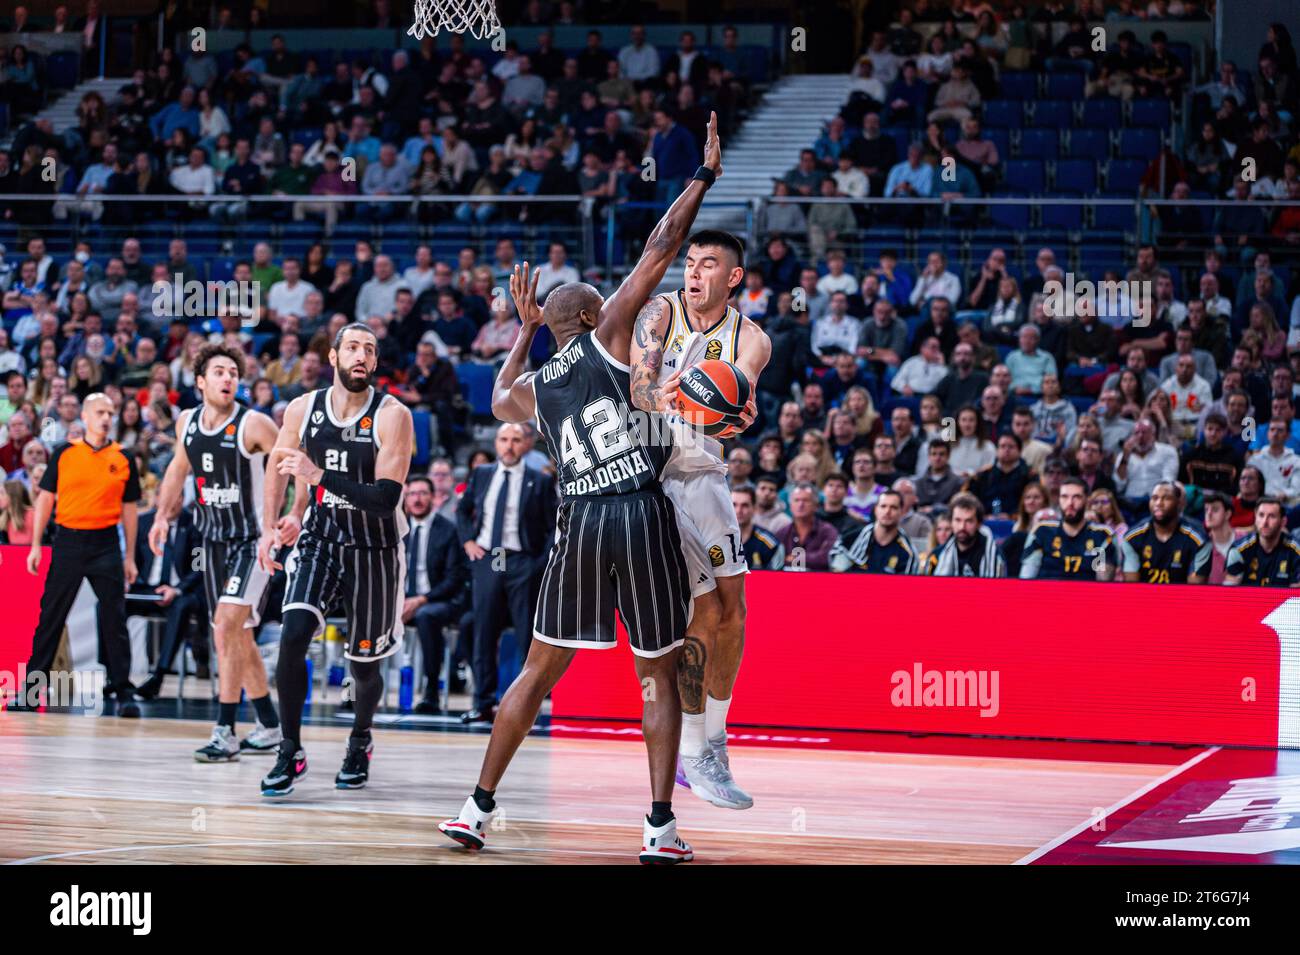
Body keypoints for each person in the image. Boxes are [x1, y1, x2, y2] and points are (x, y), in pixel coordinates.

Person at [440, 129, 723, 862]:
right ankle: (659, 827)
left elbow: (498, 391)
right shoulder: (610, 336)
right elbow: (661, 245)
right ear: (597, 317)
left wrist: (524, 330)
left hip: (580, 523)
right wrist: (700, 178)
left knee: (537, 670)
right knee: (655, 672)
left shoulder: (534, 390)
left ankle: (475, 808)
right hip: (636, 510)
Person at [628, 223, 770, 810]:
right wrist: (665, 392)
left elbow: (740, 411)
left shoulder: (752, 338)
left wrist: (726, 410)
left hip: (705, 475)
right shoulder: (658, 312)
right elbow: (639, 388)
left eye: (707, 263)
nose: (692, 271)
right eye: (689, 261)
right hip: (651, 474)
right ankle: (693, 750)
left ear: (732, 277)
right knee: (701, 612)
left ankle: (716, 740)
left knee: (734, 611)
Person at [254, 323, 416, 797]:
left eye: (370, 349)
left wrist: (317, 474)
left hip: (376, 546)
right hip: (322, 537)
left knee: (363, 666)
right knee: (293, 636)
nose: (361, 355)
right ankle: (289, 749)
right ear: (333, 356)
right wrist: (276, 522)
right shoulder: (302, 409)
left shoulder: (393, 415)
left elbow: (385, 498)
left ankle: (359, 740)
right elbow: (279, 465)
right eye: (353, 347)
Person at [142, 344, 291, 760]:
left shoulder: (255, 424)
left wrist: (281, 521)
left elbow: (290, 464)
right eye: (220, 372)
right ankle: (270, 724)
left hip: (252, 542)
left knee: (225, 628)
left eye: (233, 373)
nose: (229, 378)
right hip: (212, 543)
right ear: (201, 382)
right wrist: (161, 517)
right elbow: (177, 469)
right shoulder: (187, 422)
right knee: (236, 634)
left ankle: (224, 730)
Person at [14, 394, 142, 715]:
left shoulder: (123, 457)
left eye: (110, 413)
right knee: (51, 616)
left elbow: (130, 511)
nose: (106, 417)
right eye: (100, 411)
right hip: (68, 541)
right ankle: (32, 691)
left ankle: (122, 689)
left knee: (114, 617)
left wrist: (129, 558)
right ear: (85, 415)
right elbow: (45, 498)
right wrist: (35, 545)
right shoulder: (64, 454)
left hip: (106, 543)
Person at [455, 422, 555, 724]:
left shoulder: (539, 481)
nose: (508, 446)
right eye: (503, 440)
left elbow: (553, 526)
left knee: (527, 634)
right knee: (484, 631)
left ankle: (525, 705)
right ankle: (483, 701)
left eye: (515, 440)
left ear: (526, 445)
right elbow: (463, 510)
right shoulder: (482, 474)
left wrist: (538, 562)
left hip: (520, 560)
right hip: (489, 557)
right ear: (496, 443)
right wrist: (468, 541)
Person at [401, 475, 469, 715]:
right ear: (405, 498)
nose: (417, 499)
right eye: (412, 494)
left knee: (427, 616)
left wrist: (420, 600)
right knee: (371, 613)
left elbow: (454, 578)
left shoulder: (448, 530)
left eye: (422, 494)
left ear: (433, 497)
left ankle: (431, 690)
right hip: (402, 602)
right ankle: (358, 690)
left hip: (439, 601)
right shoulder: (398, 530)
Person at [1019, 478, 1117, 581]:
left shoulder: (1102, 534)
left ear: (1087, 501)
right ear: (1059, 499)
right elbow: (1027, 579)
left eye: (1077, 497)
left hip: (1087, 595)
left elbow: (1103, 585)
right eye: (1064, 497)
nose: (1070, 503)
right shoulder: (1042, 531)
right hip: (1046, 594)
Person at [1120, 482, 1210, 584]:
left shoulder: (1198, 541)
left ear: (1179, 504)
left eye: (1166, 498)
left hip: (1182, 598)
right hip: (1143, 598)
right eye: (1154, 498)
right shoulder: (1132, 538)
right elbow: (1132, 587)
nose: (1158, 503)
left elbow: (1195, 590)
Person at [829, 488, 919, 574]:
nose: (887, 511)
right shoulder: (850, 539)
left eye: (893, 507)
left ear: (901, 512)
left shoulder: (908, 553)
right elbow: (837, 573)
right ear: (876, 510)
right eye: (883, 506)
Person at [1223, 497, 1300, 587]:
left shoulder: (1297, 550)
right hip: (1247, 600)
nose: (1265, 522)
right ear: (1255, 518)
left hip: (1284, 601)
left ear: (1283, 521)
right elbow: (1230, 592)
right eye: (1261, 515)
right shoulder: (1238, 549)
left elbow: (1296, 596)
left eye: (1272, 516)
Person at [928, 493, 1005, 577]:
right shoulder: (938, 555)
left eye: (969, 521)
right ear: (951, 522)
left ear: (978, 524)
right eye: (958, 520)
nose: (962, 527)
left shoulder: (994, 555)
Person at [733, 484, 783, 570]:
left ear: (754, 508)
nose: (738, 510)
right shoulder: (716, 540)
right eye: (734, 505)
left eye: (745, 505)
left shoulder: (770, 545)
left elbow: (776, 580)